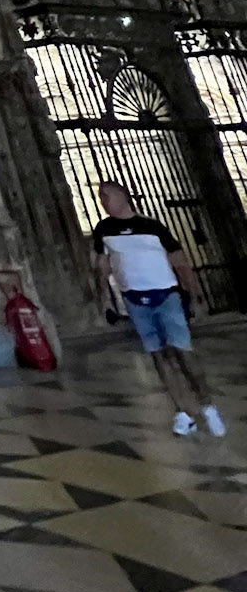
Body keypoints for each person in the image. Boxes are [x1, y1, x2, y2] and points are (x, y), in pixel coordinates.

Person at [91, 180, 227, 437]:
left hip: (166, 296)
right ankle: (183, 412)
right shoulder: (104, 229)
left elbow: (179, 260)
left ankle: (207, 405)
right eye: (100, 197)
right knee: (158, 355)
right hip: (135, 300)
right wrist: (105, 298)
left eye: (106, 196)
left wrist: (195, 293)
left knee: (183, 352)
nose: (103, 202)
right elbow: (102, 265)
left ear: (122, 196)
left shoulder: (152, 226)